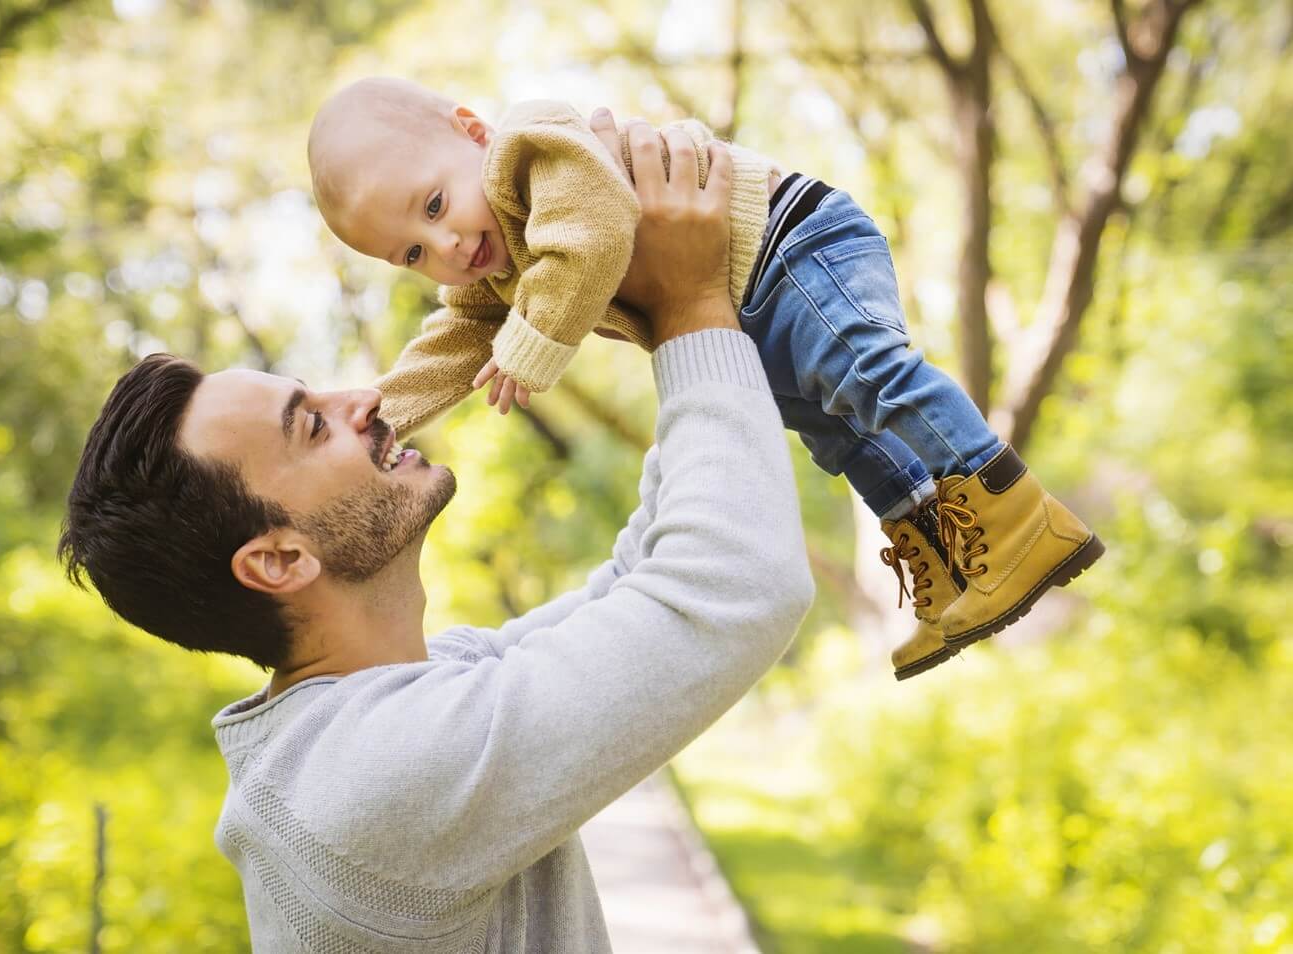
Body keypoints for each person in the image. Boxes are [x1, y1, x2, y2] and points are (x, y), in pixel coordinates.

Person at [58, 116, 814, 952]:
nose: (362, 401)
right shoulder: (380, 775)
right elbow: (732, 587)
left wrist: (662, 294)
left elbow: (642, 581)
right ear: (277, 559)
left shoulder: (399, 705)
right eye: (311, 427)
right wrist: (691, 305)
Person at [307, 78, 1104, 679]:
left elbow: (591, 236)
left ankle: (1011, 507)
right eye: (411, 251)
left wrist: (533, 342)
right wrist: (380, 415)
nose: (443, 244)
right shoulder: (496, 264)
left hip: (789, 248)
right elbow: (455, 337)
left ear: (470, 132)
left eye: (436, 203)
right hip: (743, 309)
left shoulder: (530, 149)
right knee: (838, 435)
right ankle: (947, 555)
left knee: (867, 374)